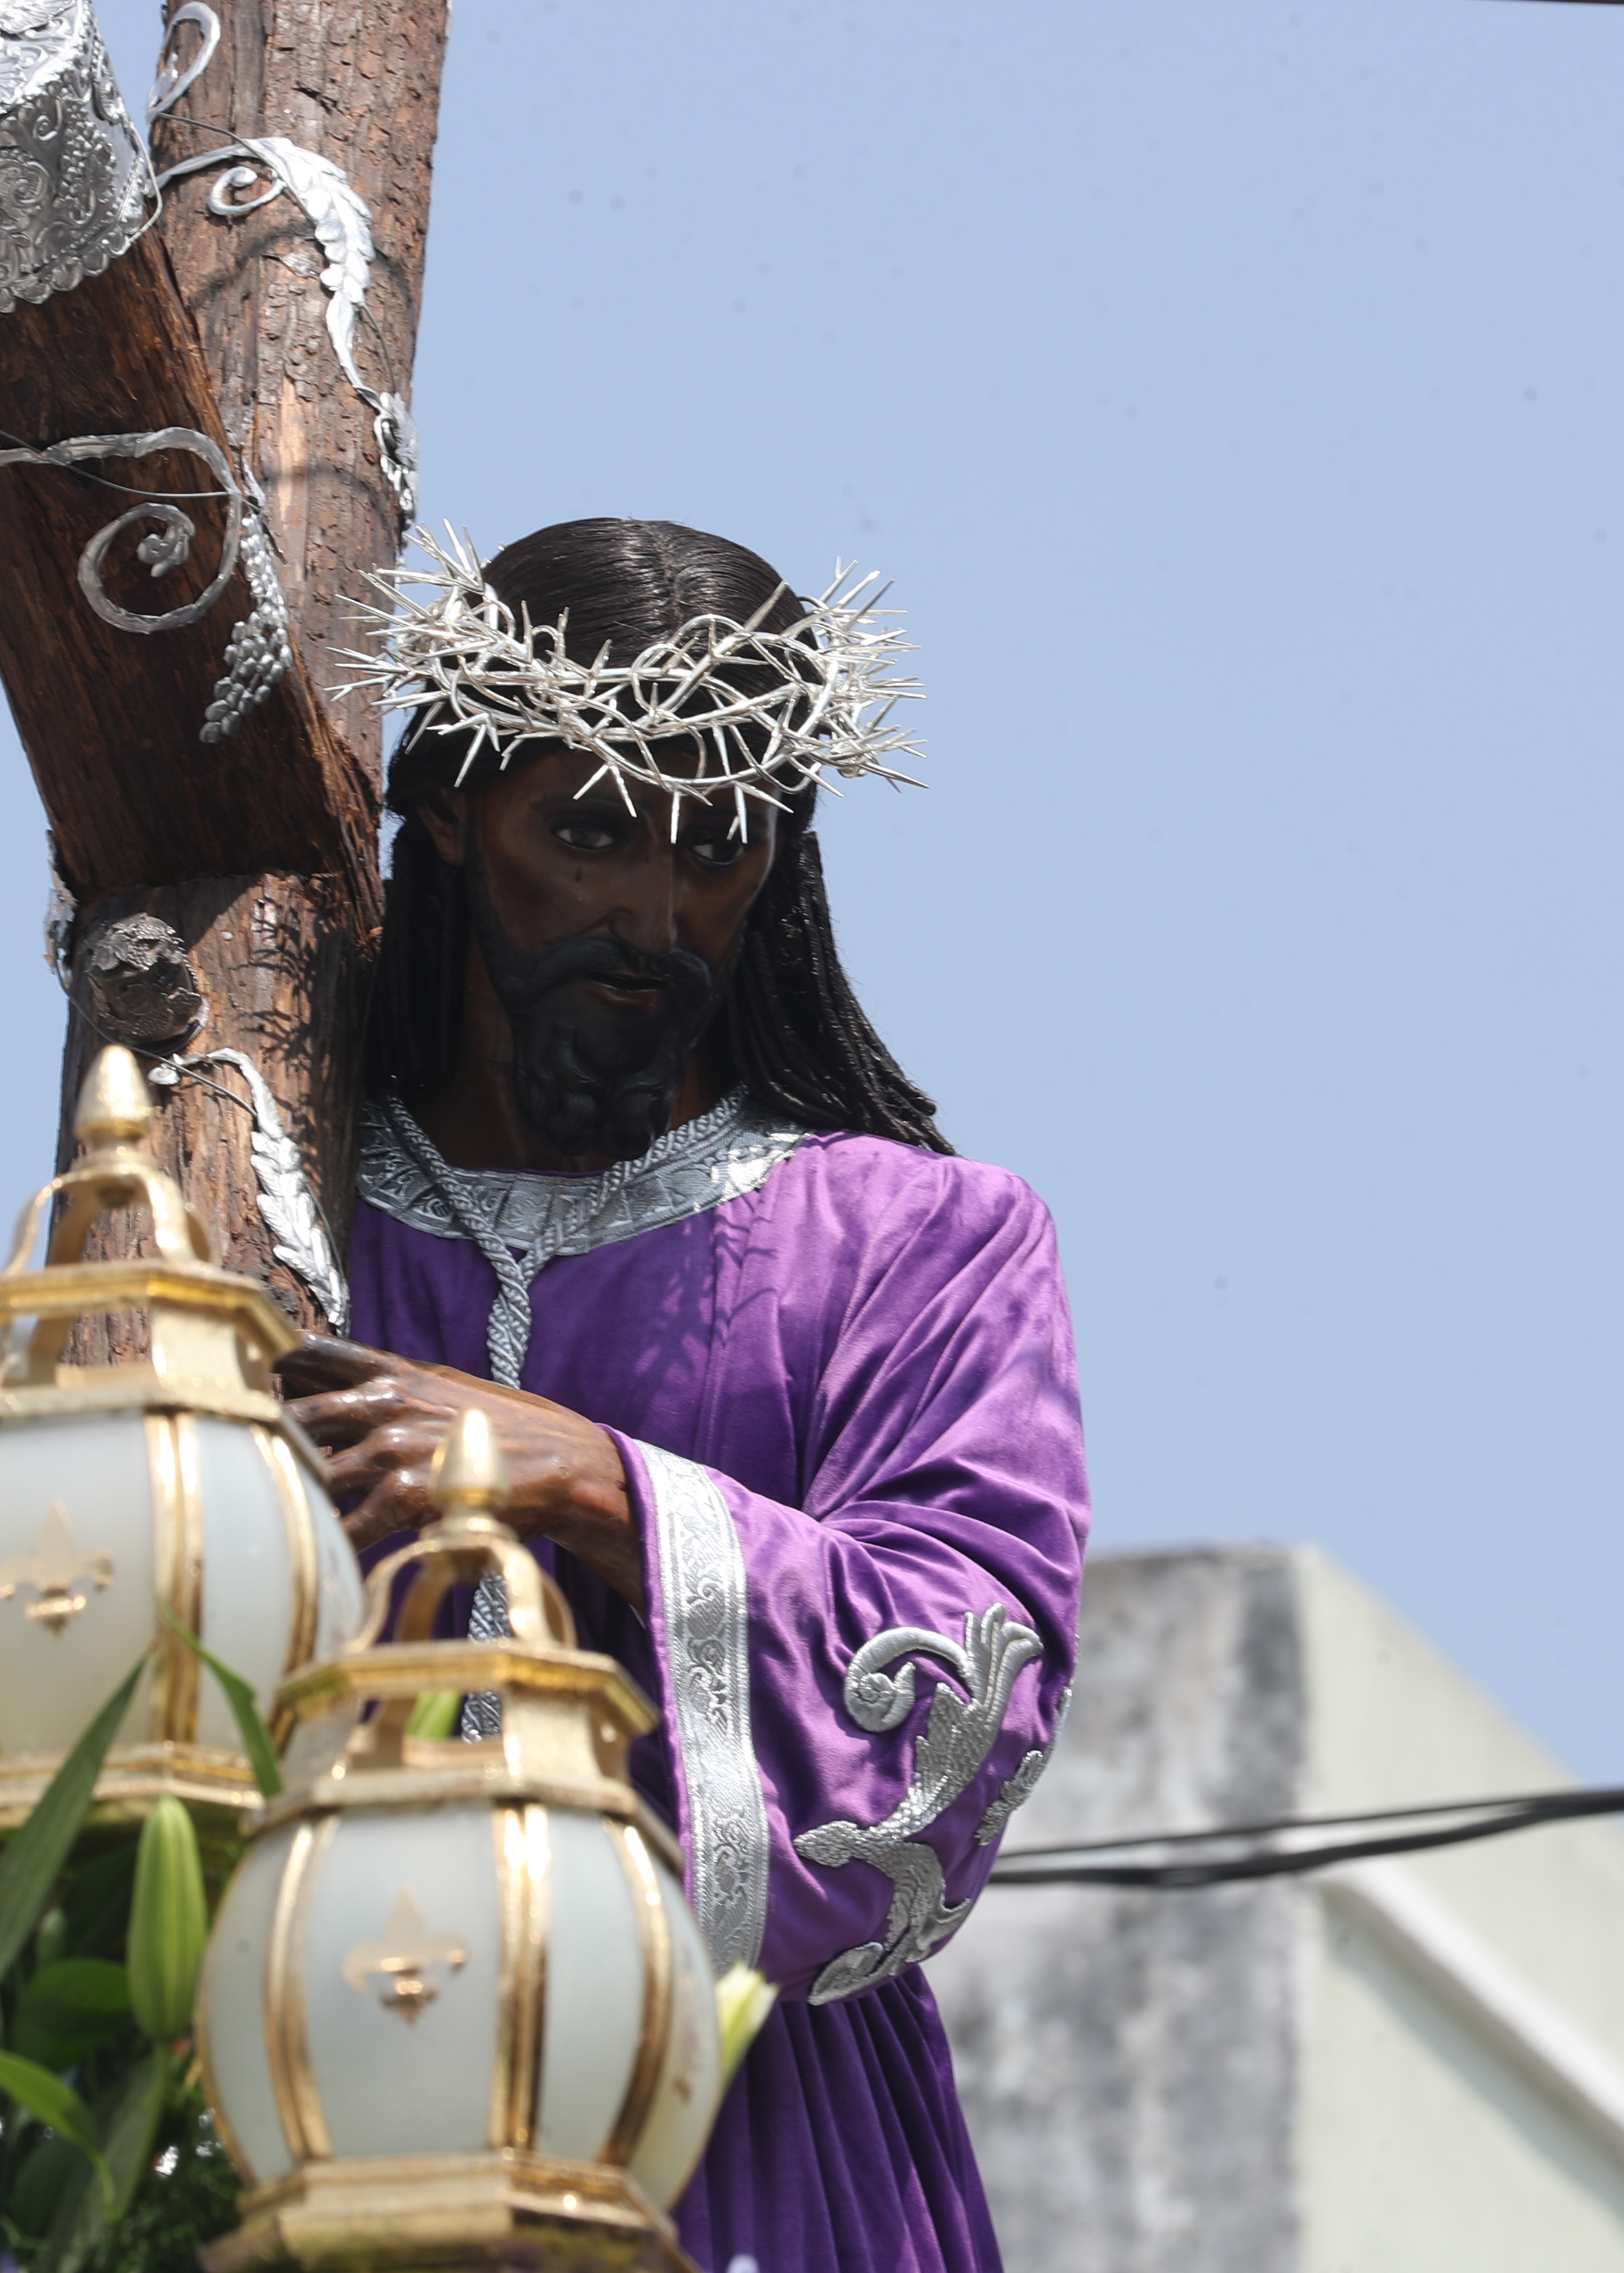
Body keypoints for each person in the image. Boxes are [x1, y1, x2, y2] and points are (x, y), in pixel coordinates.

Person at [286, 517, 1089, 2273]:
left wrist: (595, 1484)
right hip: (289, 2070)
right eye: (584, 831)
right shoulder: (266, 1214)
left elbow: (973, 1676)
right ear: (453, 824)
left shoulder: (917, 1243)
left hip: (744, 2137)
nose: (652, 913)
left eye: (715, 849)